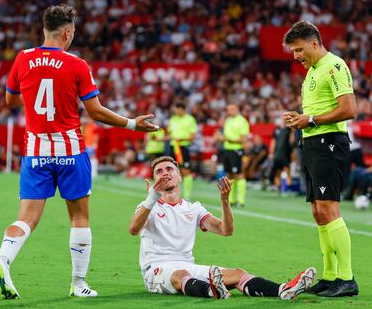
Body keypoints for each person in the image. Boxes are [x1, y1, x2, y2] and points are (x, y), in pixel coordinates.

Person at [0, 4, 158, 300]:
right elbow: (96, 112)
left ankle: (3, 260)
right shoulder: (77, 64)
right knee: (79, 218)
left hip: (35, 151)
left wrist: (34, 98)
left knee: (26, 219)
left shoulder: (23, 58)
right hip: (69, 150)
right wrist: (132, 123)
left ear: (44, 29)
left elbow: (10, 100)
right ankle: (78, 284)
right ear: (67, 32)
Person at [129, 156, 316, 300]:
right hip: (157, 269)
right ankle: (211, 291)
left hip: (187, 265)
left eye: (170, 169)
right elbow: (134, 229)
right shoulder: (148, 206)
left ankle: (283, 289)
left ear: (179, 176)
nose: (165, 173)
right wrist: (151, 198)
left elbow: (226, 230)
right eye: (159, 171)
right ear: (154, 180)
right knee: (180, 275)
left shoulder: (193, 208)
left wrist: (225, 202)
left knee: (238, 274)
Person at [283, 21, 358, 297]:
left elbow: (349, 109)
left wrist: (311, 119)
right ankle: (329, 277)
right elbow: (315, 114)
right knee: (318, 211)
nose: (296, 56)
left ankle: (347, 278)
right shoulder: (312, 72)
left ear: (314, 43)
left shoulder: (335, 65)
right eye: (293, 51)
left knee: (329, 209)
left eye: (299, 49)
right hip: (313, 143)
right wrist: (301, 120)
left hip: (330, 144)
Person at [215, 103, 249, 207]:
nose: (229, 112)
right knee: (230, 174)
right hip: (227, 150)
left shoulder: (242, 121)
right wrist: (221, 138)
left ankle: (241, 200)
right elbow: (223, 135)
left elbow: (243, 139)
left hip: (236, 150)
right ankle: (232, 199)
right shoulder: (228, 120)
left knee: (239, 174)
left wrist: (228, 139)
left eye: (231, 109)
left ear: (236, 109)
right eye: (228, 110)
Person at [167, 103, 197, 199]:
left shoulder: (190, 119)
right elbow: (170, 135)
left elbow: (193, 137)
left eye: (177, 109)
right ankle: (172, 193)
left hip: (183, 148)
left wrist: (181, 139)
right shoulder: (173, 119)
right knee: (171, 171)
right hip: (173, 147)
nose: (175, 111)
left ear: (182, 109)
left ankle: (187, 195)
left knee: (185, 171)